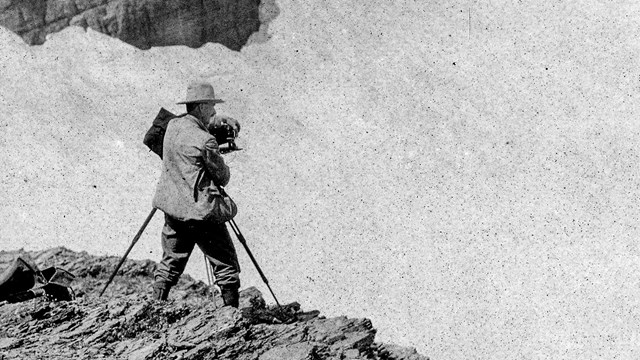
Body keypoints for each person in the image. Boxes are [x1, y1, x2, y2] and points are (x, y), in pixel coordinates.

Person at [151, 82, 241, 307]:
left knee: (170, 262)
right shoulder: (206, 140)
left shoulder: (172, 126)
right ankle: (232, 314)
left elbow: (186, 135)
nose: (214, 112)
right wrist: (218, 154)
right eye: (211, 106)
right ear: (201, 107)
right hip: (201, 214)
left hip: (173, 209)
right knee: (226, 265)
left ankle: (156, 306)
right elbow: (222, 177)